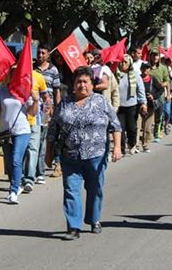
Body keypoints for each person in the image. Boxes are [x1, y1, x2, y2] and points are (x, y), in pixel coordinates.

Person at [47, 66, 123, 240]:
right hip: (70, 156)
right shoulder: (64, 104)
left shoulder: (101, 102)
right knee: (71, 190)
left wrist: (117, 147)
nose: (82, 85)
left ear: (91, 84)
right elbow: (53, 129)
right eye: (78, 82)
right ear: (73, 84)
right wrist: (48, 153)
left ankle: (94, 219)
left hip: (95, 155)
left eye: (85, 82)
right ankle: (73, 227)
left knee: (95, 189)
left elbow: (116, 126)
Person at [0, 68, 39, 204]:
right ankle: (16, 183)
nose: (15, 77)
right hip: (5, 131)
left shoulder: (24, 91)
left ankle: (13, 191)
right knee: (9, 163)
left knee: (16, 159)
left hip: (22, 130)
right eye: (13, 74)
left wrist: (36, 100)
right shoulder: (1, 91)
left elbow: (32, 113)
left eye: (17, 75)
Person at [34, 45, 62, 179]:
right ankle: (36, 167)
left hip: (47, 108)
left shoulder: (53, 70)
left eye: (43, 53)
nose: (40, 55)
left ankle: (57, 163)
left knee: (51, 136)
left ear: (47, 55)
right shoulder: (32, 68)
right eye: (38, 53)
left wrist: (57, 108)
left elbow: (57, 90)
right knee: (37, 137)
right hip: (33, 108)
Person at [116, 55, 147, 154]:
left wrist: (143, 103)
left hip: (132, 106)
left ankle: (132, 144)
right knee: (120, 128)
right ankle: (121, 149)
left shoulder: (135, 75)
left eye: (125, 62)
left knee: (132, 128)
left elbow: (140, 90)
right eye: (121, 62)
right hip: (119, 106)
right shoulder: (116, 75)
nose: (123, 64)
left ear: (129, 63)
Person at [137, 62, 165, 153]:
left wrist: (153, 96)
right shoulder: (137, 78)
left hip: (150, 106)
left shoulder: (153, 79)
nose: (145, 70)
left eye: (147, 68)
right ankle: (136, 145)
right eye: (144, 68)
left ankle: (145, 145)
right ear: (141, 69)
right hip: (139, 105)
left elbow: (161, 89)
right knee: (137, 127)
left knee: (147, 127)